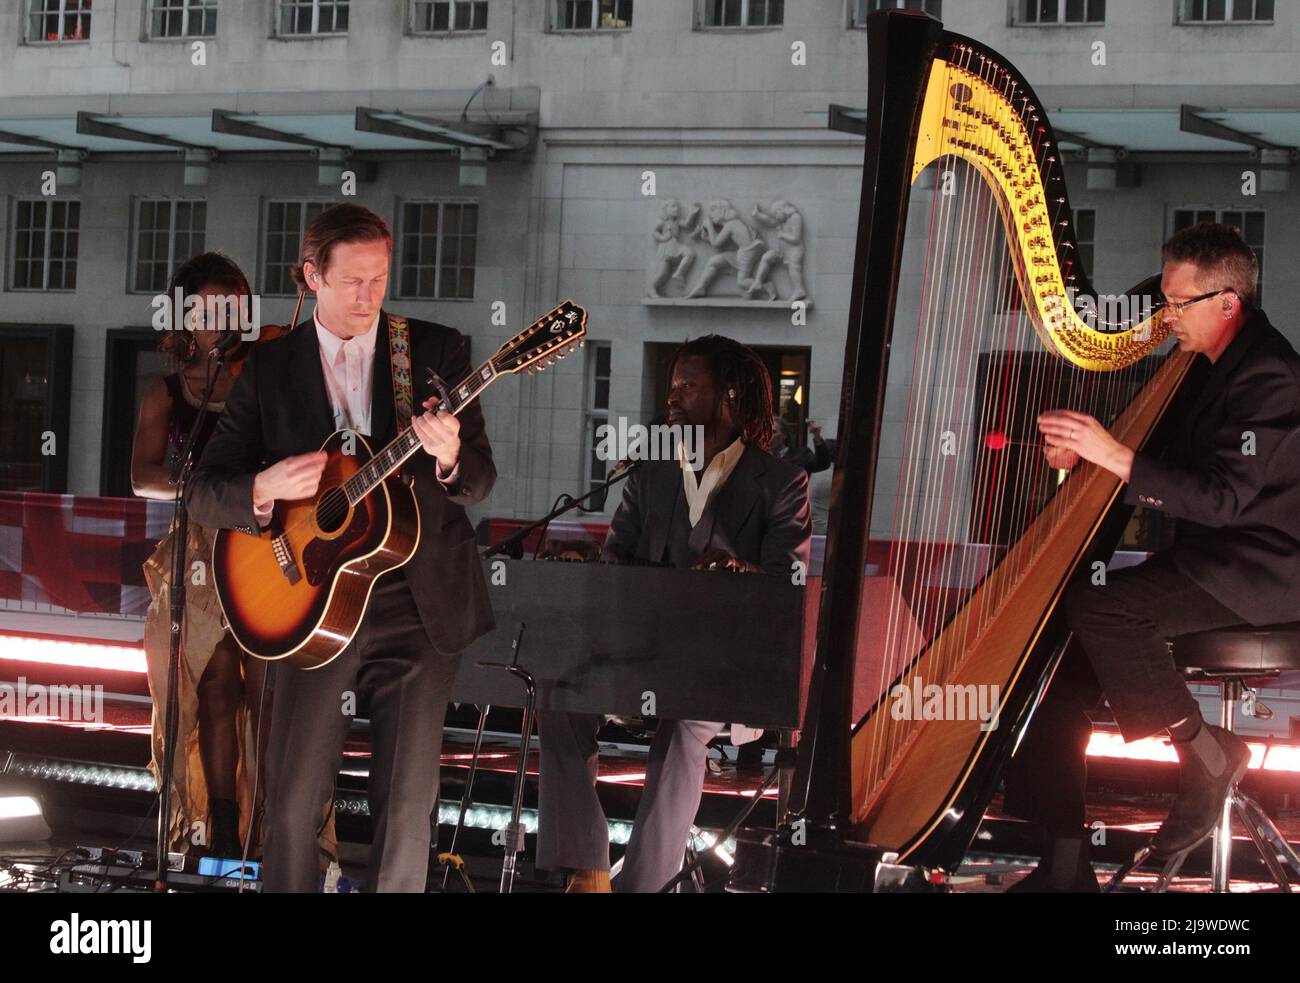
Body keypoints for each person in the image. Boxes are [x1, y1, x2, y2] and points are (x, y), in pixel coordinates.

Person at [185, 203, 496, 892]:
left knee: (407, 806)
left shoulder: (435, 351)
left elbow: (479, 477)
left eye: (380, 279)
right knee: (292, 799)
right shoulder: (268, 368)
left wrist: (448, 456)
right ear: (311, 276)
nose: (368, 296)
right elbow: (203, 488)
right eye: (353, 280)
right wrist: (262, 484)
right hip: (308, 599)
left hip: (419, 598)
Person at [1004, 222, 1300, 891]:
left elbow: (1223, 500)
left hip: (1262, 575)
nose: (1165, 316)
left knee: (1101, 608)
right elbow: (1176, 470)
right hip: (1210, 566)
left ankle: (1208, 754)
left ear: (1228, 301)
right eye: (1164, 301)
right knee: (1053, 659)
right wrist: (1089, 454)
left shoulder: (1269, 375)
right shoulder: (1206, 368)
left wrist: (1115, 455)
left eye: (1178, 302)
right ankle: (1063, 861)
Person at [536, 335, 812, 892]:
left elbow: (790, 586)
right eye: (673, 386)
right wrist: (586, 563)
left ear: (729, 394)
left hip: (726, 673)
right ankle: (587, 868)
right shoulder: (647, 471)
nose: (674, 397)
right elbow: (617, 568)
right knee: (559, 693)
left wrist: (739, 571)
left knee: (686, 721)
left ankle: (644, 884)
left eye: (690, 386)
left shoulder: (780, 483)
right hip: (641, 656)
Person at [134, 252, 262, 859]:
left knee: (263, 694)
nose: (224, 320)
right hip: (200, 551)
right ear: (187, 317)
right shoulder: (166, 393)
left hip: (265, 547)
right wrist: (194, 481)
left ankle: (272, 832)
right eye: (210, 310)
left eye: (234, 306)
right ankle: (223, 830)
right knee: (212, 687)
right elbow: (142, 477)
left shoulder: (267, 376)